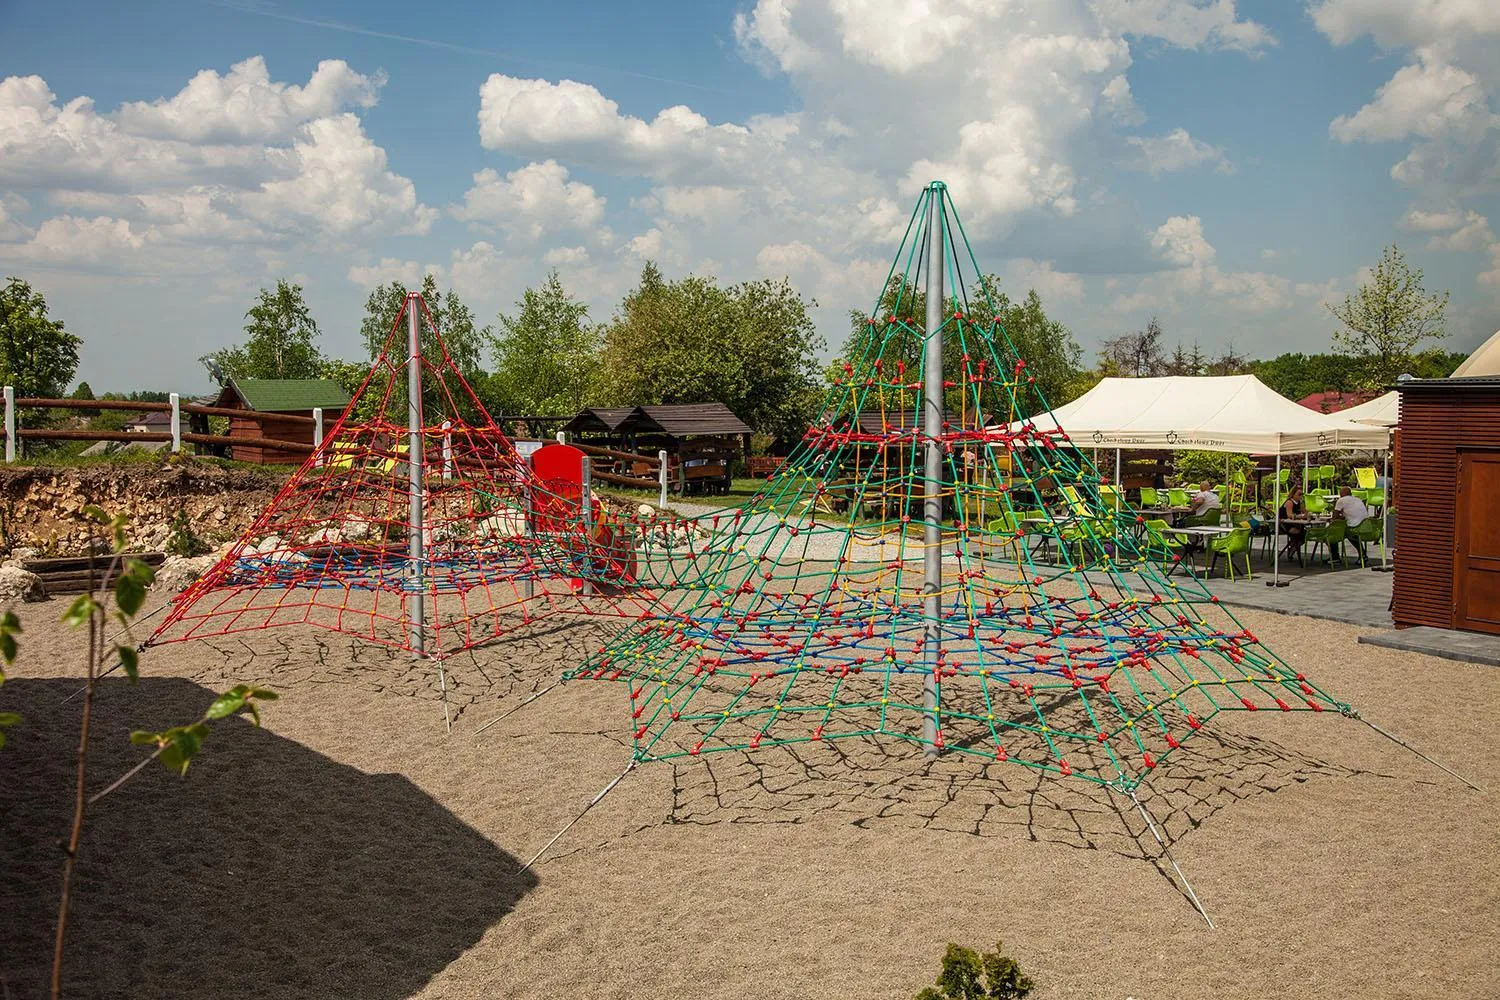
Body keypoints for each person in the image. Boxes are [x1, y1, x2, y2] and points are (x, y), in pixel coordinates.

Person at [1330, 486, 1371, 563]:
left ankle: (1335, 557)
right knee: (1349, 533)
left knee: (1333, 533)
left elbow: (1334, 517)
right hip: (1366, 526)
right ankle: (1363, 554)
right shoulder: (1358, 499)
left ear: (1342, 494)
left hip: (1355, 527)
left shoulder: (1341, 500)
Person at [1279, 485, 1306, 559]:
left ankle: (1293, 545)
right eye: (1299, 494)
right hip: (1286, 525)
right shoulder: (1289, 502)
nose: (1301, 496)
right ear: (1293, 494)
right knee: (1302, 535)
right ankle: (1293, 546)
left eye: (1302, 494)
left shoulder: (1299, 503)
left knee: (1305, 534)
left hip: (1296, 524)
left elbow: (1304, 512)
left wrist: (1303, 505)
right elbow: (1290, 515)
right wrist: (1300, 516)